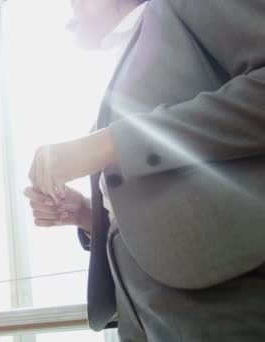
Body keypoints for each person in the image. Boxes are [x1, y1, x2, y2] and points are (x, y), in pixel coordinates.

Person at [25, 0, 265, 341]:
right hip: (141, 305)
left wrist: (113, 143)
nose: (70, 12)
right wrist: (86, 214)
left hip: (226, 286)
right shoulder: (127, 60)